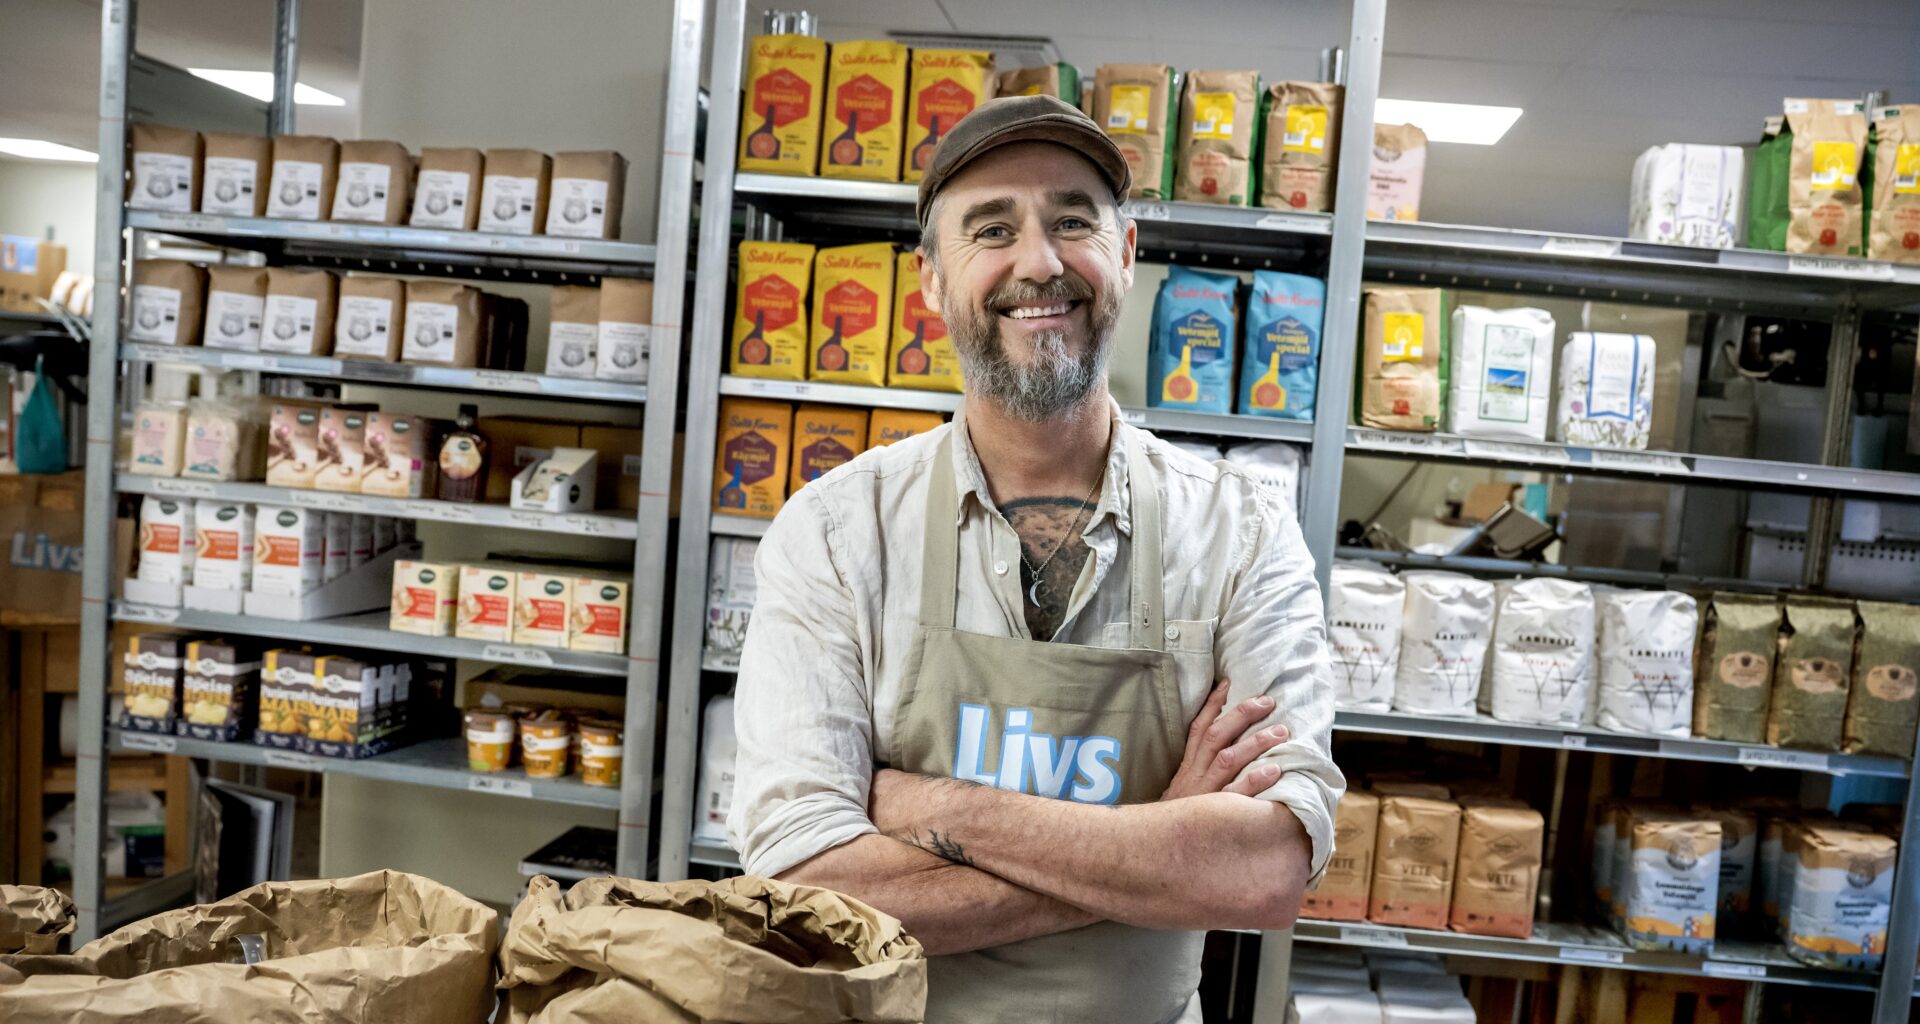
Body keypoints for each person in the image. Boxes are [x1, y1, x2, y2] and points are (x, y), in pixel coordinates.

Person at [729, 94, 1343, 1024]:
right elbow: (808, 885)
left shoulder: (1243, 532)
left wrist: (933, 809)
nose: (1040, 261)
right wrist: (1159, 843)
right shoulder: (834, 531)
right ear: (931, 281)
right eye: (991, 228)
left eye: (1071, 221)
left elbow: (1264, 869)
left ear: (1126, 255)